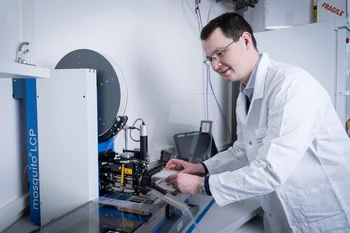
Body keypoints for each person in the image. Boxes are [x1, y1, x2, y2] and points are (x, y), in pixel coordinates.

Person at [165, 12, 350, 233]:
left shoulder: (290, 86)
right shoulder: (245, 94)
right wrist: (201, 168)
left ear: (245, 40)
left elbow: (271, 170)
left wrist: (201, 185)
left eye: (220, 53)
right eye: (210, 58)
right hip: (281, 213)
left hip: (322, 215)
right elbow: (243, 151)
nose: (215, 65)